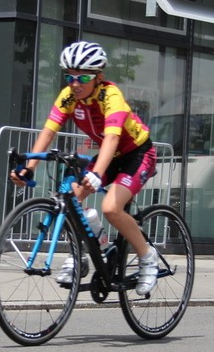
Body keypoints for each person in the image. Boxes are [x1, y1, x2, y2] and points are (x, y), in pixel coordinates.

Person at [9, 41, 159, 295]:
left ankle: (147, 256)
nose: (75, 83)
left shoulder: (110, 96)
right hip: (111, 155)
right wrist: (30, 166)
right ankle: (84, 251)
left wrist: (97, 174)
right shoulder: (68, 96)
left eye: (83, 77)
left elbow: (112, 138)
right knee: (71, 199)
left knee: (111, 207)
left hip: (137, 153)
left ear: (98, 77)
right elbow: (48, 132)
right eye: (70, 76)